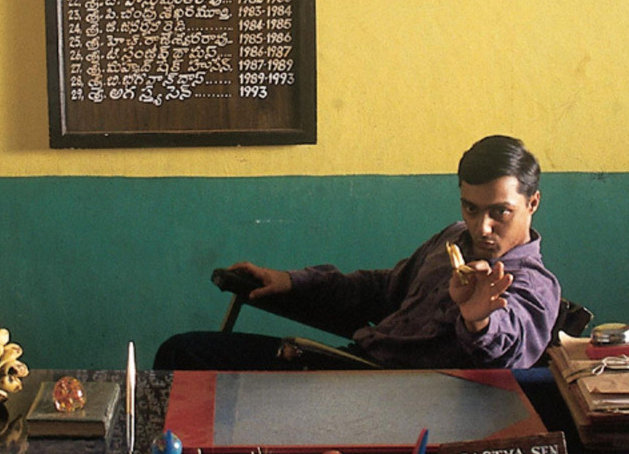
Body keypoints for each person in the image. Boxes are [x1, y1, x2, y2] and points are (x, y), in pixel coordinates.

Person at [155, 135, 562, 370]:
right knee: (182, 351)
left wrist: (477, 322)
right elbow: (383, 290)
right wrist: (292, 282)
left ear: (533, 203)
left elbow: (511, 356)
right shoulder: (453, 240)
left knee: (187, 355)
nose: (482, 226)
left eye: (499, 212)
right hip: (354, 362)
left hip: (387, 394)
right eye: (471, 208)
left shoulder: (532, 284)